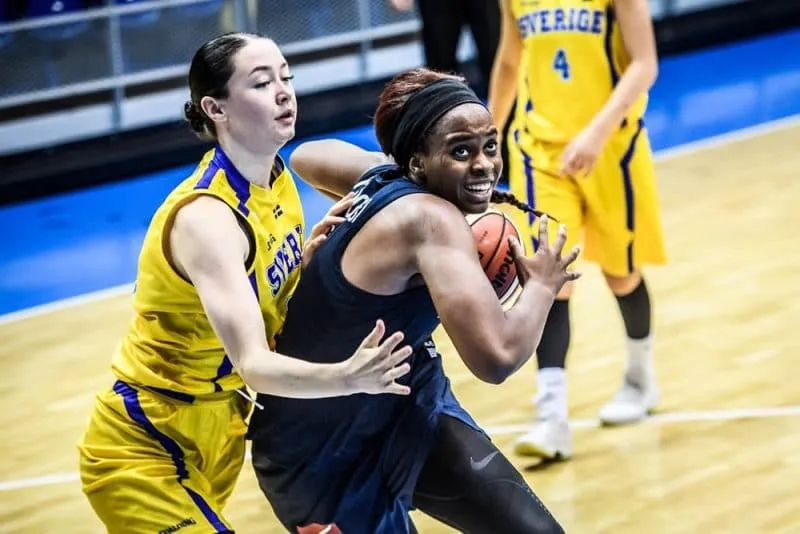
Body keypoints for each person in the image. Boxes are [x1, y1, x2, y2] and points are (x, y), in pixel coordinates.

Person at [77, 32, 414, 534]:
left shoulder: (275, 180)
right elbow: (254, 364)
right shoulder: (207, 220)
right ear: (216, 108)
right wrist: (350, 376)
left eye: (286, 77)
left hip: (217, 431)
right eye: (261, 83)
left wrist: (305, 258)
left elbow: (258, 293)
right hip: (145, 443)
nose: (283, 92)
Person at [247, 68, 579, 534]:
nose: (483, 164)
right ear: (419, 161)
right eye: (460, 151)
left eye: (490, 145)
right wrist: (543, 287)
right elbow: (497, 358)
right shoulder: (429, 220)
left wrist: (383, 178)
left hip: (405, 402)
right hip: (318, 451)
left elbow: (305, 154)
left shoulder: (380, 174)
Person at [487, 0, 667, 460]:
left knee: (619, 274)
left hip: (612, 146)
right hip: (539, 151)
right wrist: (488, 133)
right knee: (549, 281)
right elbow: (510, 59)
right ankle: (552, 417)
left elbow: (644, 65)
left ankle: (639, 378)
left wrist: (596, 133)